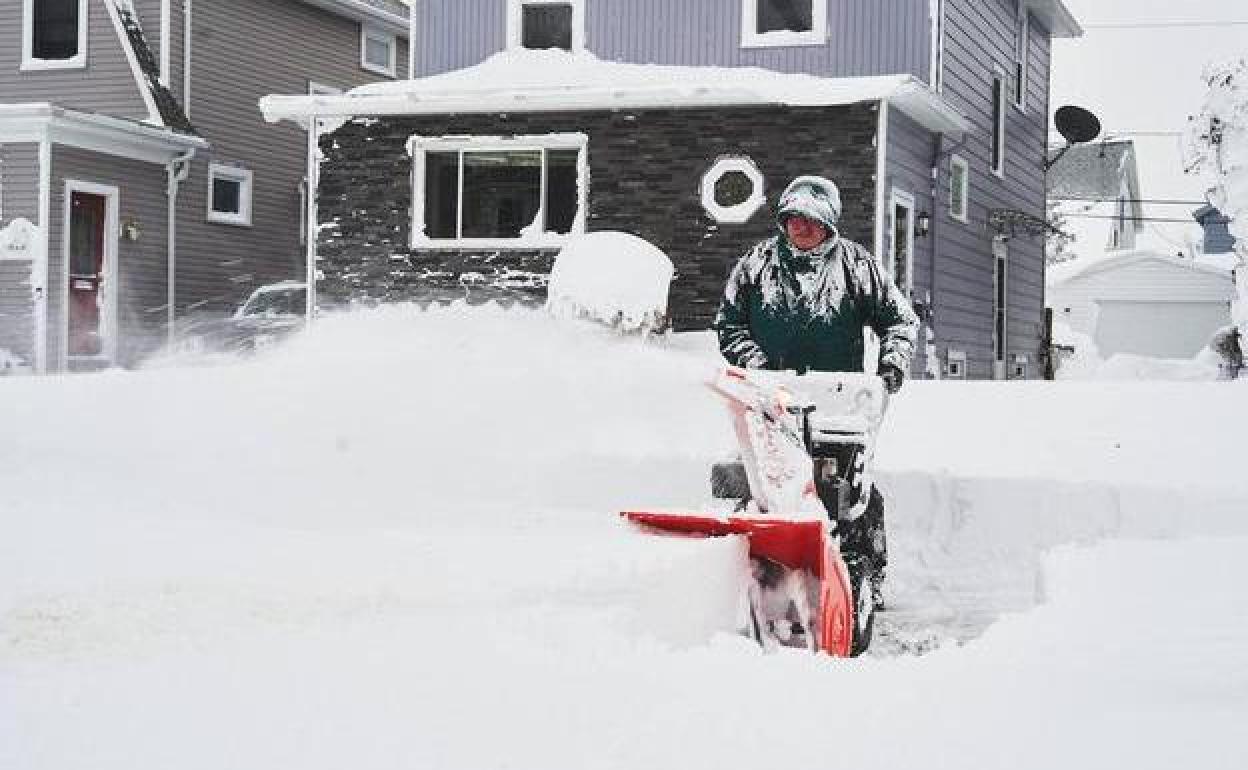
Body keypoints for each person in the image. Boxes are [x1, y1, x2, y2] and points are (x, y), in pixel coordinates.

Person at [713, 174, 920, 607]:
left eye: (810, 220)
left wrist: (890, 367)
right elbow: (729, 324)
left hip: (838, 405)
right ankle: (739, 568)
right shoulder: (756, 265)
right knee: (746, 479)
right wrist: (758, 366)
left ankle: (864, 576)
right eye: (793, 218)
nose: (800, 227)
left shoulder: (857, 266)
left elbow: (900, 321)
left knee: (849, 493)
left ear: (828, 223)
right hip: (769, 401)